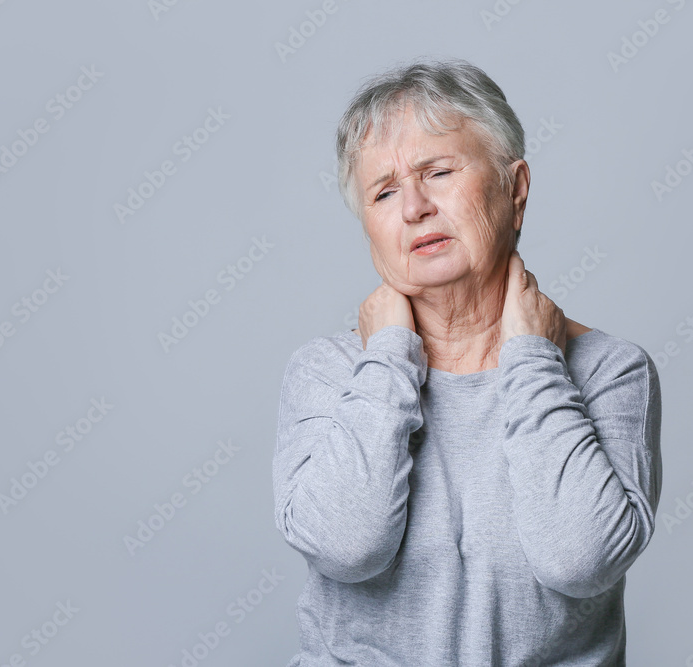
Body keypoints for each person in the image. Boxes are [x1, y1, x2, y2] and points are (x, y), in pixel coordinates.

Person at [273, 56, 662, 667]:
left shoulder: (610, 370)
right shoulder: (327, 373)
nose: (414, 208)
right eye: (384, 191)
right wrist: (390, 358)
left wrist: (533, 359)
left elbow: (581, 560)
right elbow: (347, 546)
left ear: (516, 189)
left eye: (438, 171)